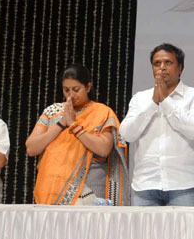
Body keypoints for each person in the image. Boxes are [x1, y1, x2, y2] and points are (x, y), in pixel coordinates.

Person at [118, 43, 194, 206]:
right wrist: (153, 103)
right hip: (145, 183)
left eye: (168, 62)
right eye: (157, 63)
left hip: (183, 184)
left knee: (181, 232)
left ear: (180, 68)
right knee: (143, 232)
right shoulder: (141, 98)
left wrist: (166, 101)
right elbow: (127, 134)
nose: (162, 67)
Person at [26, 64, 128, 205]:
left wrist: (74, 126)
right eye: (66, 90)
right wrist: (62, 123)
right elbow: (31, 148)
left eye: (76, 90)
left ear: (88, 87)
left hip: (88, 189)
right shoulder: (52, 111)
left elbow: (103, 149)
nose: (71, 95)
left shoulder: (102, 112)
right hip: (50, 188)